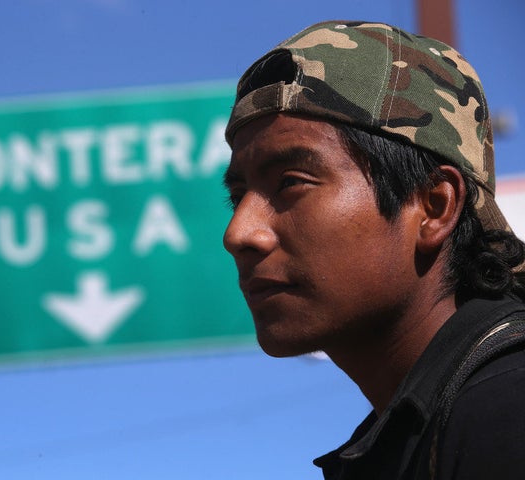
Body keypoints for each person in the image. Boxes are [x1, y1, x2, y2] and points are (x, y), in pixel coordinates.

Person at [222, 20, 525, 479]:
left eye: (291, 183)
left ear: (433, 205)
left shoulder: (505, 413)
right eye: (237, 195)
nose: (239, 233)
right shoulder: (428, 428)